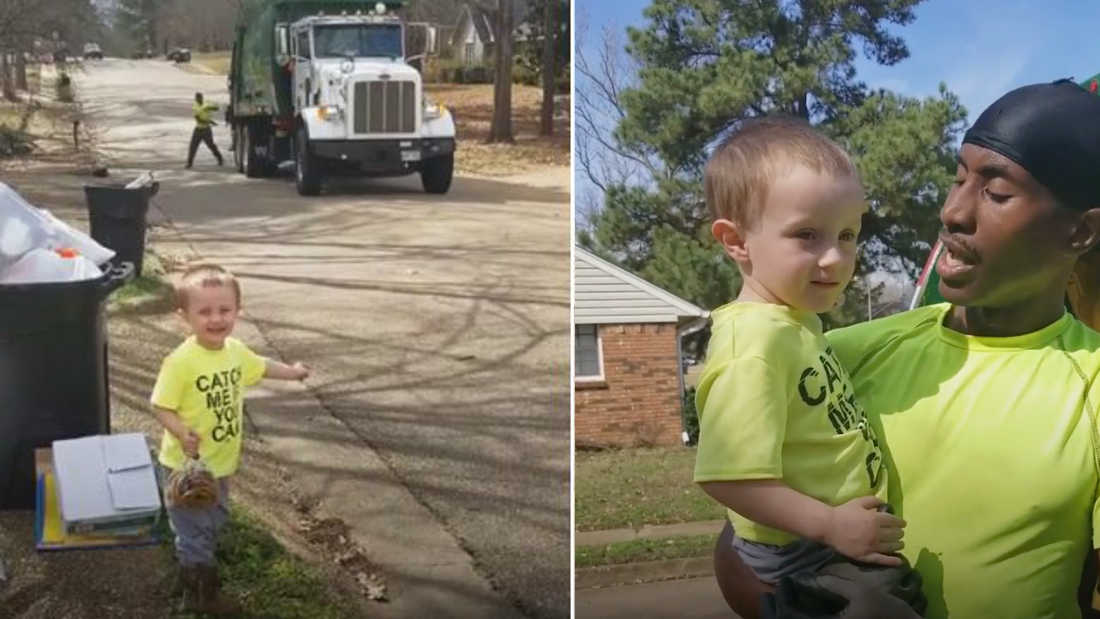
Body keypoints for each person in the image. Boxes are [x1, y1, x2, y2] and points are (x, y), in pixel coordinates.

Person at [713, 79, 1100, 619]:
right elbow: (741, 536)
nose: (952, 213)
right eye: (958, 179)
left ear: (1080, 232)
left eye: (995, 192)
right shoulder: (835, 352)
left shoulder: (1092, 385)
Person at [693, 118, 910, 591]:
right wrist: (831, 525)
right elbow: (727, 479)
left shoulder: (793, 322)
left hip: (824, 536)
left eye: (847, 235)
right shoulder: (753, 346)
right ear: (735, 241)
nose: (834, 258)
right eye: (807, 235)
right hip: (802, 551)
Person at [151, 264, 309, 614]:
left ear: (238, 310)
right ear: (184, 316)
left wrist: (293, 372)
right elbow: (160, 406)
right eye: (204, 311)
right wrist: (179, 430)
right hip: (186, 470)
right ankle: (200, 595)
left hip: (221, 463)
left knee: (215, 518)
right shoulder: (180, 362)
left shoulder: (234, 351)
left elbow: (262, 365)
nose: (216, 318)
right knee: (195, 530)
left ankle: (187, 568)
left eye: (224, 310)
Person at [187, 92, 223, 168]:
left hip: (206, 129)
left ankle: (220, 158)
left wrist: (211, 108)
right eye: (197, 98)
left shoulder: (206, 104)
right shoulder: (195, 106)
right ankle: (189, 163)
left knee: (211, 145)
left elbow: (217, 108)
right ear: (196, 99)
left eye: (200, 97)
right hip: (199, 129)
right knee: (193, 146)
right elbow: (198, 119)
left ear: (202, 98)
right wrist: (210, 121)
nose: (198, 99)